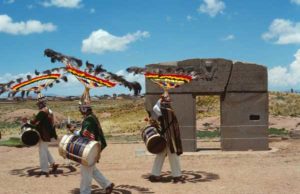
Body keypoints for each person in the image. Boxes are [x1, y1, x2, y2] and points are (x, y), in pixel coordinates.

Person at [68, 102, 114, 194]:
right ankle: (107, 185)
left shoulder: (89, 119)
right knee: (92, 169)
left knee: (85, 172)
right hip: (92, 147)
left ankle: (85, 192)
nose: (79, 110)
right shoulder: (91, 117)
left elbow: (84, 135)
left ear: (85, 109)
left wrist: (74, 131)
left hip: (89, 148)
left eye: (80, 108)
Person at [149, 94, 183, 183]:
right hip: (170, 137)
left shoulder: (162, 111)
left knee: (160, 155)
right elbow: (156, 108)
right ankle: (177, 175)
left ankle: (155, 174)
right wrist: (161, 99)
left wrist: (160, 100)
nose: (169, 104)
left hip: (164, 136)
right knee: (173, 156)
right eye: (167, 102)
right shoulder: (168, 111)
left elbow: (155, 108)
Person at [29, 94, 58, 176]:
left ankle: (45, 170)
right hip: (48, 134)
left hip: (44, 134)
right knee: (45, 150)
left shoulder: (42, 112)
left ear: (41, 103)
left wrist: (28, 122)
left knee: (42, 152)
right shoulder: (49, 110)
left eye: (39, 104)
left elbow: (34, 121)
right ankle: (53, 164)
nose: (38, 105)